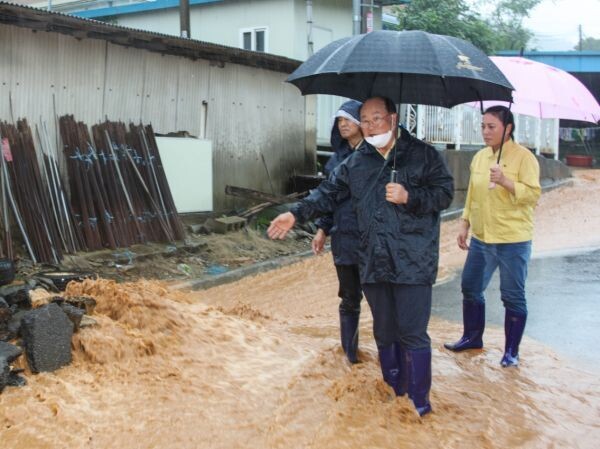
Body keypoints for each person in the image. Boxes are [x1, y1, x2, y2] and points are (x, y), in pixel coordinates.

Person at [268, 96, 454, 416]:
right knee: (384, 331)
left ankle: (419, 404)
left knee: (412, 332)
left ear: (393, 119)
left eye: (375, 119)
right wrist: (296, 214)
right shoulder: (357, 161)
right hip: (373, 259)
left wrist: (410, 196)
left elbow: (445, 194)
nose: (368, 127)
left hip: (413, 260)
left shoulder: (423, 154)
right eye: (364, 120)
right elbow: (328, 193)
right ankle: (395, 394)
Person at [444, 105, 541, 368]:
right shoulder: (480, 157)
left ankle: (511, 352)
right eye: (483, 126)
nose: (485, 132)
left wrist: (506, 181)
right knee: (470, 286)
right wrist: (464, 222)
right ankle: (472, 338)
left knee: (512, 295)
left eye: (491, 127)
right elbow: (473, 195)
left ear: (507, 129)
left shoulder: (525, 158)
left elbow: (533, 195)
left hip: (513, 239)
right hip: (482, 238)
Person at [312, 100, 364, 364]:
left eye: (348, 119)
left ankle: (390, 357)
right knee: (349, 297)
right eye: (339, 120)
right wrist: (322, 229)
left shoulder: (379, 156)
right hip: (343, 238)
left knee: (381, 300)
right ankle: (350, 355)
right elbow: (328, 198)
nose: (343, 124)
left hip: (372, 239)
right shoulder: (335, 161)